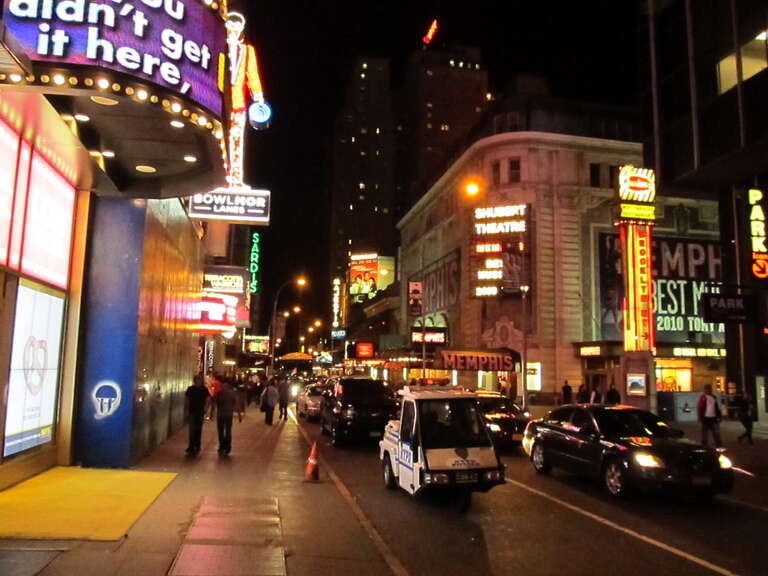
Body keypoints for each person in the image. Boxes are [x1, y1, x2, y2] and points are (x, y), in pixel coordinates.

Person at [185, 374, 210, 455]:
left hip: (200, 411)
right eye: (196, 380)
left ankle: (196, 445)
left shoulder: (204, 389)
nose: (197, 381)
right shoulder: (190, 389)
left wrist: (206, 408)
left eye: (198, 380)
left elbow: (207, 399)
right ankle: (192, 445)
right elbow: (187, 400)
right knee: (192, 429)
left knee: (198, 429)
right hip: (192, 411)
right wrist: (186, 409)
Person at [214, 377, 236, 455]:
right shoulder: (219, 393)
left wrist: (239, 413)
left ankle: (226, 446)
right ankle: (223, 446)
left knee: (227, 432)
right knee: (222, 431)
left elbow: (236, 403)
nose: (224, 387)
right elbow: (215, 402)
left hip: (226, 415)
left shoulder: (231, 393)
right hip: (221, 415)